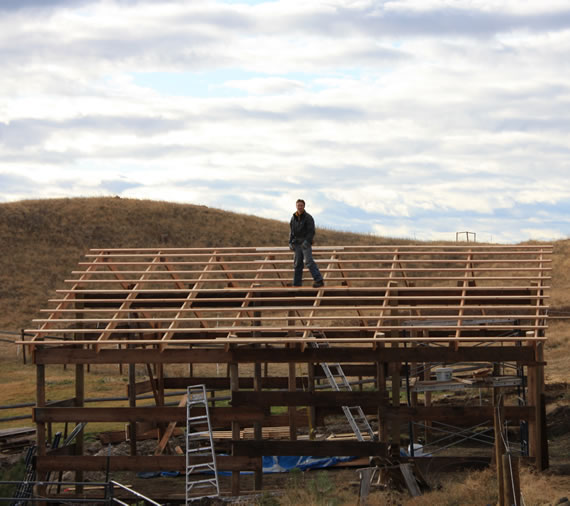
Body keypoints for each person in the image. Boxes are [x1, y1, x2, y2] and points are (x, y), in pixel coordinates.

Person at [289, 199, 324, 288]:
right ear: (296, 206)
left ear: (304, 206)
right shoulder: (293, 218)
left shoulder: (308, 217)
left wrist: (307, 241)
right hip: (297, 244)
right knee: (297, 264)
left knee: (309, 262)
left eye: (301, 205)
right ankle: (296, 284)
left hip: (305, 243)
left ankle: (319, 280)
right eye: (298, 205)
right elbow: (292, 231)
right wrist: (290, 242)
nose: (299, 207)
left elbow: (311, 231)